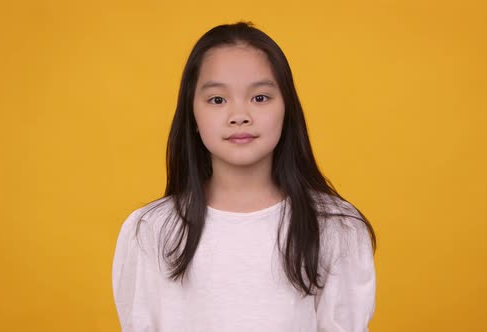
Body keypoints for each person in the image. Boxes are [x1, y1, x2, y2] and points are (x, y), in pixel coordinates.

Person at [112, 21, 377, 332]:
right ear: (193, 115)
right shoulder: (150, 231)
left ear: (286, 109)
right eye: (217, 100)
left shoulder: (335, 227)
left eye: (260, 98)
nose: (239, 115)